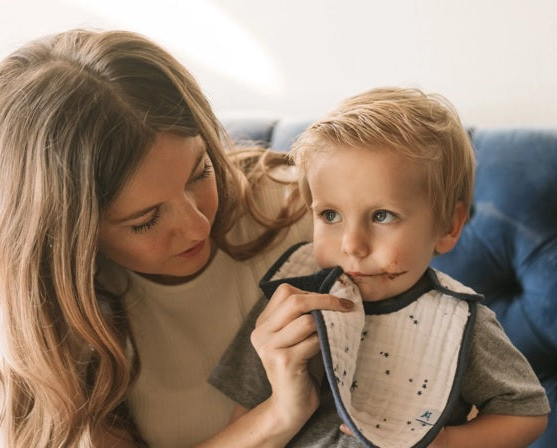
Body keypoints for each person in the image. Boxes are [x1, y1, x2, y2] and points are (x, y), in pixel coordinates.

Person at [0, 29, 358, 448]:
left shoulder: (312, 213)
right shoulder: (61, 324)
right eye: (145, 220)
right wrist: (276, 418)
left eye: (201, 172)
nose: (197, 226)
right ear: (70, 239)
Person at [211, 87, 550, 447]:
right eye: (330, 215)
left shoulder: (462, 321)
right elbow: (247, 419)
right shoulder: (289, 301)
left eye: (382, 215)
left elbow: (526, 413)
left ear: (449, 227)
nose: (352, 245)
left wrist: (448, 442)